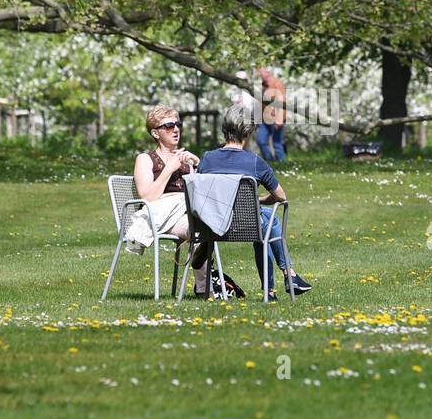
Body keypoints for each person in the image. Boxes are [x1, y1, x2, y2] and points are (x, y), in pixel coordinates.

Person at [195, 104, 311, 301]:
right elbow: (281, 196)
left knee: (264, 220)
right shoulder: (254, 162)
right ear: (248, 132)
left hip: (211, 226)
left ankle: (279, 285)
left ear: (225, 128)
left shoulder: (207, 159)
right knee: (268, 221)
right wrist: (259, 200)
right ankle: (284, 278)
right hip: (246, 225)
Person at [125, 105, 215, 294]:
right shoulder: (145, 159)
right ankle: (204, 287)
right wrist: (170, 168)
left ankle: (205, 285)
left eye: (177, 124)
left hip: (187, 210)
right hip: (161, 215)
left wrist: (198, 164)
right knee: (202, 230)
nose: (175, 129)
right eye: (168, 126)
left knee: (210, 225)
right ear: (155, 133)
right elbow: (147, 196)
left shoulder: (186, 158)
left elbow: (205, 192)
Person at [256, 66, 287, 162]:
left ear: (268, 73)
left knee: (277, 143)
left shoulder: (277, 84)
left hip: (275, 118)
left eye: (262, 72)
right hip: (264, 119)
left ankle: (282, 163)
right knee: (260, 140)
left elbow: (283, 103)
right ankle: (269, 161)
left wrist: (280, 119)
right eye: (260, 73)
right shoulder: (264, 85)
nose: (260, 75)